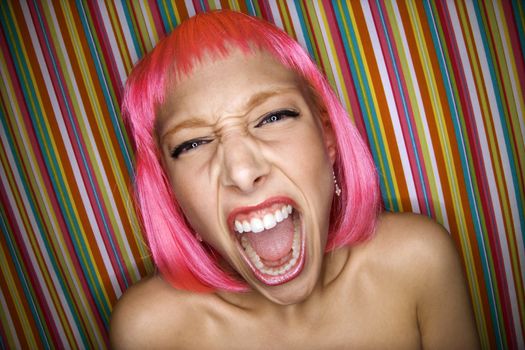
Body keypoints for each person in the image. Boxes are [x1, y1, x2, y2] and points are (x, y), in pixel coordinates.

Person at [110, 10, 479, 349]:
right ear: (172, 191)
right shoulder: (149, 331)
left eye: (273, 117)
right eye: (192, 143)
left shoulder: (418, 261)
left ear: (328, 136)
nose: (242, 172)